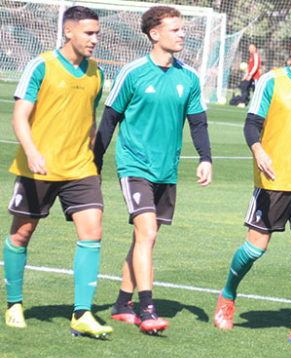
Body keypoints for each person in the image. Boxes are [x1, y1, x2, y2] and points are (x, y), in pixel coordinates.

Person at [213, 22, 291, 350]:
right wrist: (260, 151)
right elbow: (251, 126)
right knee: (254, 249)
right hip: (274, 182)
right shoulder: (271, 82)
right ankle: (227, 295)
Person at [94, 5, 213, 335]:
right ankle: (146, 309)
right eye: (175, 29)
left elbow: (198, 123)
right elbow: (109, 120)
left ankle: (121, 303)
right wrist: (95, 163)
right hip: (133, 166)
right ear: (154, 34)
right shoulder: (132, 73)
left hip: (166, 171)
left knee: (144, 238)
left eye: (182, 28)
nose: (182, 34)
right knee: (147, 233)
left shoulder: (188, 77)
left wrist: (206, 158)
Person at [3, 6, 112, 338]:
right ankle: (14, 304)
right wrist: (33, 153)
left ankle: (82, 314)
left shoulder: (97, 73)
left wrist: (95, 159)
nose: (95, 39)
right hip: (40, 166)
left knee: (92, 231)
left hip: (80, 167)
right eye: (88, 33)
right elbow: (20, 116)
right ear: (69, 31)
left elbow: (89, 120)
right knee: (21, 234)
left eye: (97, 33)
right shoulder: (41, 66)